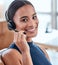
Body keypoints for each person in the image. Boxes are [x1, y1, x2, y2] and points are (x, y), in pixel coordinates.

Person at [2, 0, 52, 65]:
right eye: (24, 20)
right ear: (12, 25)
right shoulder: (10, 54)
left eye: (34, 17)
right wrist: (25, 52)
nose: (32, 24)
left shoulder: (41, 49)